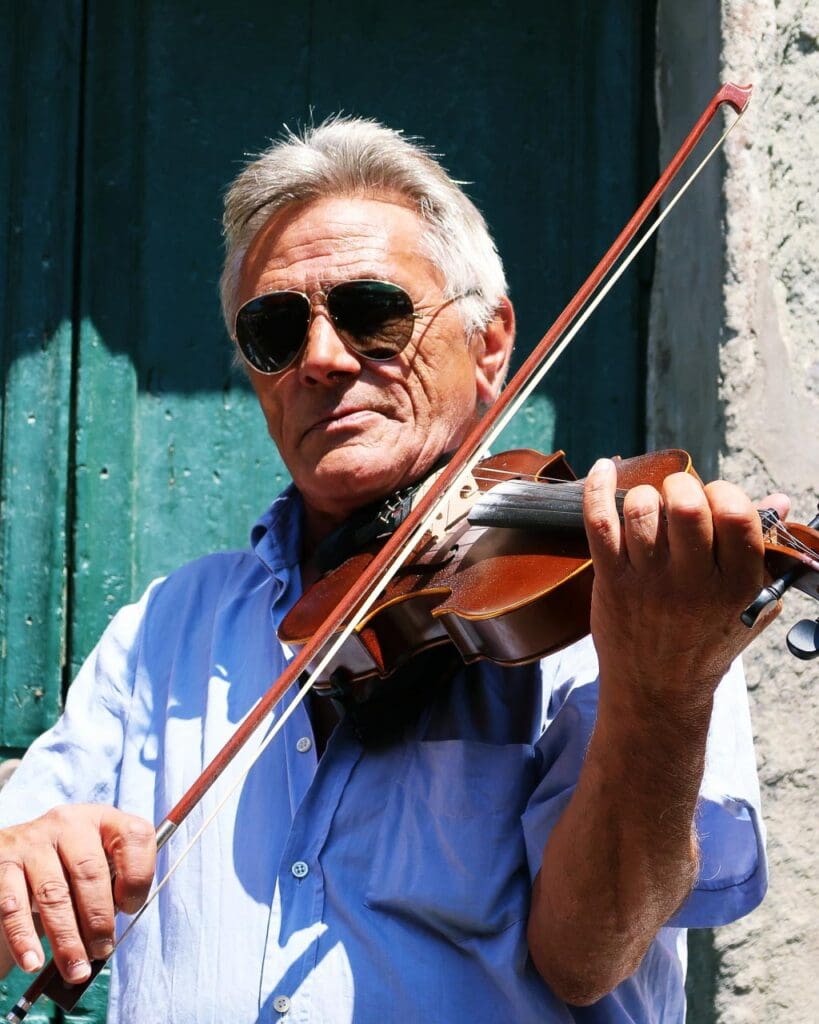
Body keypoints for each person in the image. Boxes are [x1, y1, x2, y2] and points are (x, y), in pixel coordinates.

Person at [0, 118, 784, 1023]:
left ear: (489, 344)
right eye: (274, 330)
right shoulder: (164, 628)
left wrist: (661, 691)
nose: (322, 359)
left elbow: (587, 957)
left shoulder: (634, 601)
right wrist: (23, 855)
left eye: (373, 314)